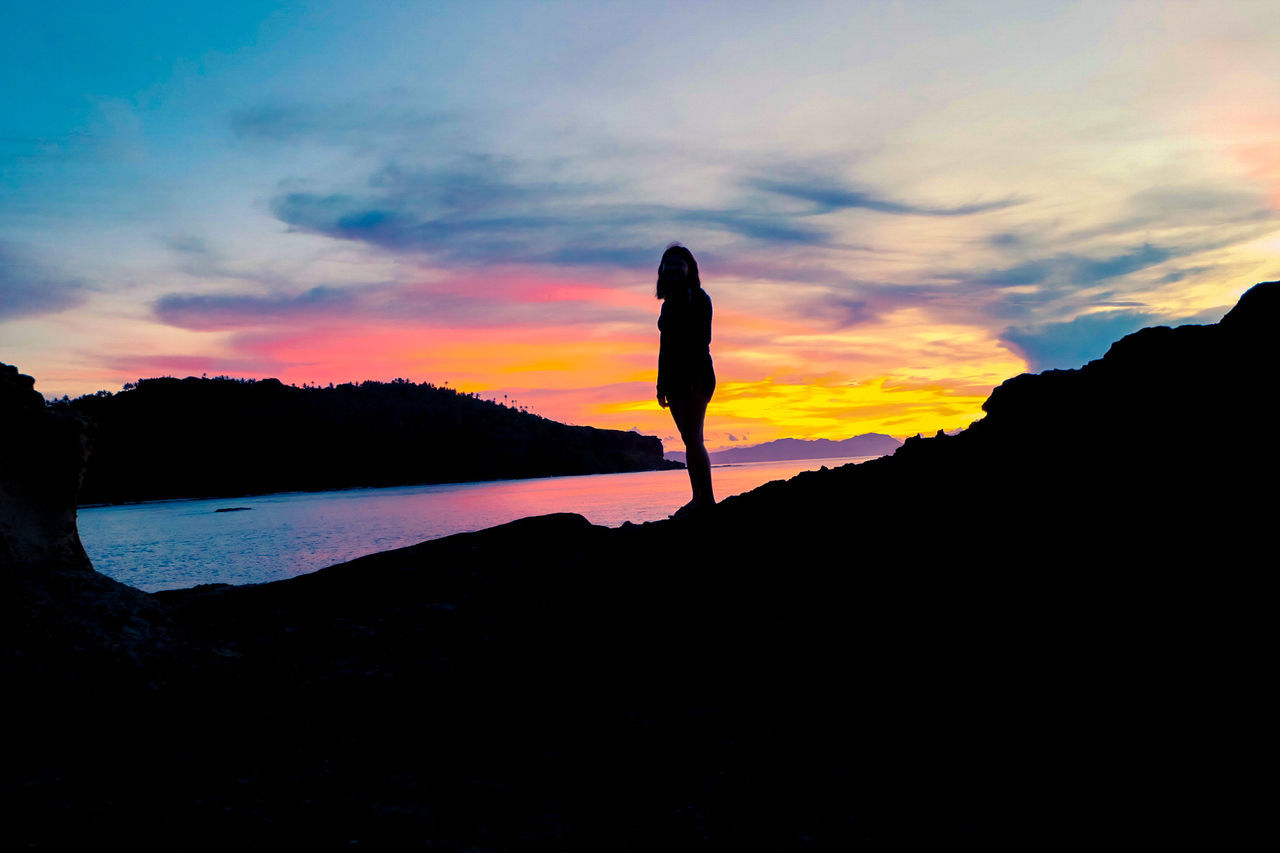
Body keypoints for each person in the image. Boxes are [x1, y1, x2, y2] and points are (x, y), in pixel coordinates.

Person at [655, 243, 715, 518]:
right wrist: (661, 385)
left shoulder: (697, 298)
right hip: (674, 380)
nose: (673, 268)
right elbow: (664, 346)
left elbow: (701, 341)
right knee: (689, 438)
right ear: (662, 270)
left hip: (695, 376)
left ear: (689, 269)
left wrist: (692, 379)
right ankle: (698, 498)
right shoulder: (668, 304)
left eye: (679, 264)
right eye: (669, 264)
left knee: (693, 439)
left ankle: (706, 500)